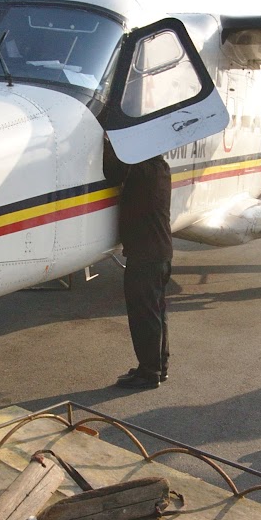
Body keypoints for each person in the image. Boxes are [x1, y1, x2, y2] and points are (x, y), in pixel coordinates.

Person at [103, 142, 172, 389]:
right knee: (156, 314)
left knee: (144, 316)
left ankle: (149, 372)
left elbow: (112, 172)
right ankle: (158, 367)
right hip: (159, 253)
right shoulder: (160, 169)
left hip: (146, 257)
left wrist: (107, 142)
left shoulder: (142, 172)